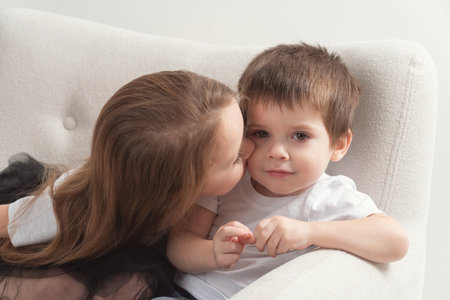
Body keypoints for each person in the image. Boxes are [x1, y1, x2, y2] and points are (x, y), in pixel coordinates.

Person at [166, 43, 410, 300]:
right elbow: (179, 244)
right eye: (261, 133)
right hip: (185, 292)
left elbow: (395, 241)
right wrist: (212, 252)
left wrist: (310, 232)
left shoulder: (327, 196)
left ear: (338, 145)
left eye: (299, 136)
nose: (277, 152)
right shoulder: (231, 177)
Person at [0, 70, 254, 299]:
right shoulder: (66, 209)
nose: (252, 148)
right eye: (237, 158)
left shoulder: (186, 192)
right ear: (180, 189)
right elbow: (9, 221)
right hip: (82, 245)